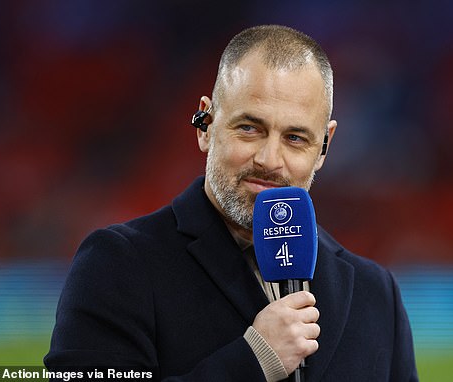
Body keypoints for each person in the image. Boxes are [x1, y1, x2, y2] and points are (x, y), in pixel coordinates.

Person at [45, 25, 418, 381]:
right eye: (249, 128)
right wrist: (254, 362)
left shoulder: (376, 293)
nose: (270, 159)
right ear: (205, 124)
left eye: (295, 137)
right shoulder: (116, 265)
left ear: (324, 147)